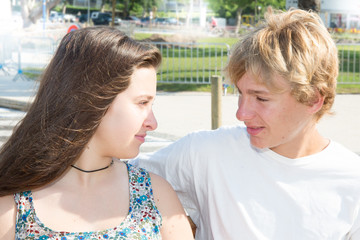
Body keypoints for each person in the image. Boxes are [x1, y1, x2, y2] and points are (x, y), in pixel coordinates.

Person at [132, 8, 360, 239]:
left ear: (313, 99)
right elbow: (114, 176)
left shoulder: (353, 180)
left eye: (261, 98)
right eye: (240, 93)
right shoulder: (205, 154)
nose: (241, 113)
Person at [0, 27, 194, 240]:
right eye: (142, 103)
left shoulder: (156, 196)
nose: (152, 123)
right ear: (93, 101)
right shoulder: (13, 206)